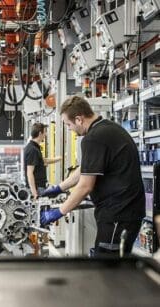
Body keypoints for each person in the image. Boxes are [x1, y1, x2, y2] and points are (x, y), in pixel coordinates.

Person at [40, 95, 145, 256]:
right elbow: (86, 168)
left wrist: (59, 212)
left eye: (68, 124)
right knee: (109, 261)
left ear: (79, 119)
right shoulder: (106, 128)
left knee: (107, 267)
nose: (69, 129)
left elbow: (84, 186)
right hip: (123, 213)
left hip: (118, 215)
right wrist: (59, 188)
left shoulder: (93, 138)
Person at [23, 122, 62, 199]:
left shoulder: (34, 147)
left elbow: (44, 161)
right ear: (40, 133)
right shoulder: (32, 150)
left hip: (39, 187)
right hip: (37, 189)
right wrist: (34, 194)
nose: (45, 134)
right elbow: (29, 173)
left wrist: (59, 158)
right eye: (45, 132)